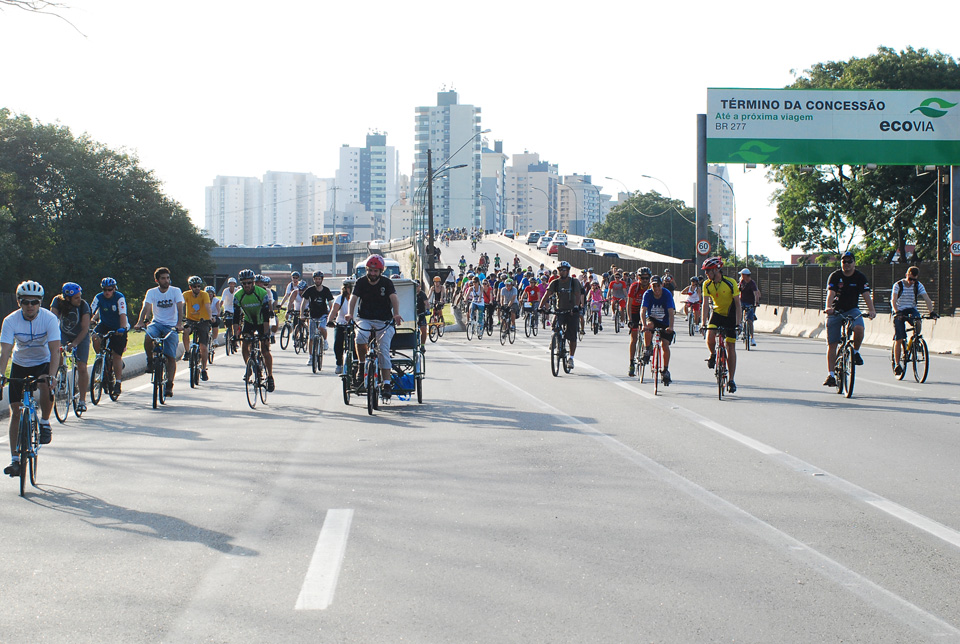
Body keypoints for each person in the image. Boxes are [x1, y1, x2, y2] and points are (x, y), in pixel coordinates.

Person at [1, 281, 60, 477]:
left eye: (34, 302)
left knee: (45, 384)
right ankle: (15, 459)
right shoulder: (10, 321)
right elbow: (6, 351)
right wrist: (1, 375)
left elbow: (54, 351)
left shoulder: (49, 319)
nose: (30, 306)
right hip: (20, 364)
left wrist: (52, 376)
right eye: (25, 301)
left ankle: (44, 422)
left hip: (43, 362)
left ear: (40, 303)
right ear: (19, 302)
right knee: (15, 412)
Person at [345, 255, 403, 398]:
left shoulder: (387, 283)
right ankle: (361, 365)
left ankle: (387, 383)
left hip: (384, 321)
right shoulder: (360, 282)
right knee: (359, 337)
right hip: (364, 318)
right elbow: (353, 299)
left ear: (381, 271)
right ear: (367, 270)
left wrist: (396, 314)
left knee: (383, 349)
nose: (372, 274)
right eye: (370, 270)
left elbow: (394, 298)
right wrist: (349, 314)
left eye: (375, 271)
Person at [823, 251, 877, 387]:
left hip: (852, 309)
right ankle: (831, 375)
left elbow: (866, 295)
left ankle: (856, 351)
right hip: (835, 311)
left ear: (854, 263)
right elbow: (831, 293)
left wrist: (872, 310)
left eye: (849, 261)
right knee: (832, 344)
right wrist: (828, 307)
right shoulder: (835, 276)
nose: (846, 264)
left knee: (859, 328)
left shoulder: (859, 277)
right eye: (844, 261)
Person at [134, 267, 184, 398]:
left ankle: (169, 385)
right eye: (163, 278)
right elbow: (146, 308)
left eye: (168, 278)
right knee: (148, 337)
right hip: (157, 323)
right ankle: (150, 361)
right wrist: (140, 322)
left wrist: (179, 324)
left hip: (171, 326)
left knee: (170, 357)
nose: (166, 280)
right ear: (157, 280)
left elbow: (179, 307)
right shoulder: (152, 292)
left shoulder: (176, 291)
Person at [50, 282, 92, 412]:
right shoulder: (58, 301)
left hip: (81, 335)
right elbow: (52, 320)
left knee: (82, 367)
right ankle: (61, 374)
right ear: (67, 298)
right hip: (63, 333)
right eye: (76, 297)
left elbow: (85, 329)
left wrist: (75, 344)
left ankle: (82, 400)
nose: (79, 299)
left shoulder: (84, 305)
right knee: (56, 352)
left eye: (80, 296)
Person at [701, 257, 741, 393]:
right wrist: (703, 323)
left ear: (716, 270)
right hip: (717, 313)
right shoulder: (707, 284)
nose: (706, 273)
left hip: (730, 315)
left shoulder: (730, 283)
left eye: (708, 271)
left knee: (730, 346)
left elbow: (737, 304)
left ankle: (731, 380)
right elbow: (705, 304)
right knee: (710, 335)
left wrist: (738, 323)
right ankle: (713, 354)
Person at [234, 269, 275, 391]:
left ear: (253, 282)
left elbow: (266, 314)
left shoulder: (262, 293)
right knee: (244, 344)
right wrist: (235, 334)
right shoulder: (238, 296)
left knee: (265, 350)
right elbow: (236, 318)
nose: (247, 285)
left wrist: (266, 333)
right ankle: (249, 367)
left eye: (249, 283)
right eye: (244, 283)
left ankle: (270, 376)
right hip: (249, 322)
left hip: (262, 321)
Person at [891, 266, 937, 375]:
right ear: (906, 275)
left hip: (911, 309)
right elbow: (893, 299)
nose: (912, 282)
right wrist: (897, 311)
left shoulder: (918, 285)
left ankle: (916, 341)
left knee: (918, 320)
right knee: (899, 338)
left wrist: (931, 311)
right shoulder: (898, 285)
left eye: (914, 279)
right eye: (910, 279)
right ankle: (897, 364)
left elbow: (927, 299)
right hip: (899, 310)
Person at [538, 261, 583, 370]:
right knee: (554, 326)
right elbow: (547, 295)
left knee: (572, 336)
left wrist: (576, 307)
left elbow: (578, 295)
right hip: (560, 309)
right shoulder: (555, 282)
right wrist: (540, 307)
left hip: (572, 311)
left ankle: (571, 358)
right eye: (560, 270)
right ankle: (555, 341)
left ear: (568, 271)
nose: (562, 272)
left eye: (564, 270)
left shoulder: (574, 282)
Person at [91, 277, 128, 396]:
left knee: (116, 356)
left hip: (118, 326)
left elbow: (122, 314)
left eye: (110, 289)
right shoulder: (99, 297)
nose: (107, 292)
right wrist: (88, 322)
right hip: (105, 324)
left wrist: (122, 329)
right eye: (104, 289)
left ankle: (117, 383)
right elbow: (91, 310)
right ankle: (100, 358)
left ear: (114, 289)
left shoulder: (119, 297)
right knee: (95, 336)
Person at [640, 276, 676, 385]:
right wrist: (644, 324)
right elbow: (643, 310)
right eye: (653, 286)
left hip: (665, 321)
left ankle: (665, 370)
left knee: (665, 345)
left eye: (658, 286)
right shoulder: (648, 294)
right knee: (649, 326)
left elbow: (671, 312)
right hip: (652, 318)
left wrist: (671, 327)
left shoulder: (667, 294)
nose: (656, 288)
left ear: (662, 285)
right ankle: (647, 349)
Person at [181, 276, 212, 381]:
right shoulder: (186, 294)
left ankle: (203, 369)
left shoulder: (204, 294)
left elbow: (207, 306)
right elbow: (180, 305)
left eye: (199, 286)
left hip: (203, 321)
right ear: (190, 287)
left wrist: (211, 317)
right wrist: (179, 318)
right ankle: (187, 352)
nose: (197, 288)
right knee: (185, 331)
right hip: (190, 320)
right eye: (194, 286)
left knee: (203, 347)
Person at [300, 271, 334, 366]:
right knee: (311, 337)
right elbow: (304, 302)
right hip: (312, 315)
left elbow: (331, 303)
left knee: (322, 328)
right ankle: (311, 357)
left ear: (322, 280)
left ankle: (325, 341)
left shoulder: (326, 290)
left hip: (323, 314)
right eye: (316, 279)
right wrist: (302, 314)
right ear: (313, 279)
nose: (317, 280)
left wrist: (332, 314)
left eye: (319, 279)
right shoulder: (310, 290)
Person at [626, 267, 652, 377]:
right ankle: (631, 363)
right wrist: (630, 319)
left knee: (649, 328)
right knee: (634, 337)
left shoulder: (652, 287)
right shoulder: (634, 287)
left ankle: (647, 347)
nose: (645, 280)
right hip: (635, 311)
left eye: (647, 278)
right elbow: (629, 304)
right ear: (638, 278)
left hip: (647, 311)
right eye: (642, 278)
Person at [327, 281, 353, 375]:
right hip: (341, 323)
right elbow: (334, 310)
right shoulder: (340, 298)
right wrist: (329, 321)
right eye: (349, 287)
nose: (351, 289)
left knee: (356, 344)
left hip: (354, 324)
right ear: (345, 288)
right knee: (338, 343)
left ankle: (355, 363)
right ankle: (339, 363)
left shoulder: (357, 298)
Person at [738, 269, 760, 346]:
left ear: (746, 275)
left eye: (742, 275)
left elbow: (756, 294)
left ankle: (752, 338)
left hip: (750, 303)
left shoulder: (752, 283)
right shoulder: (742, 282)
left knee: (750, 321)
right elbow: (738, 292)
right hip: (742, 301)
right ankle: (739, 329)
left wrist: (756, 303)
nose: (741, 276)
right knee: (739, 314)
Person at [220, 277, 238, 348]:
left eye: (233, 284)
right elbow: (222, 300)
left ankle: (235, 340)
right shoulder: (226, 291)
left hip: (234, 308)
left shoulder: (237, 290)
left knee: (235, 325)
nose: (232, 285)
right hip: (227, 308)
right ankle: (227, 331)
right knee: (226, 320)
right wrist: (219, 308)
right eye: (230, 284)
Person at [415, 280, 429, 349]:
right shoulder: (410, 293)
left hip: (421, 314)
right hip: (412, 315)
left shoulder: (422, 294)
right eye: (415, 286)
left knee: (423, 329)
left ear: (420, 286)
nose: (416, 288)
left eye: (417, 286)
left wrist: (428, 310)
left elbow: (426, 303)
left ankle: (422, 345)